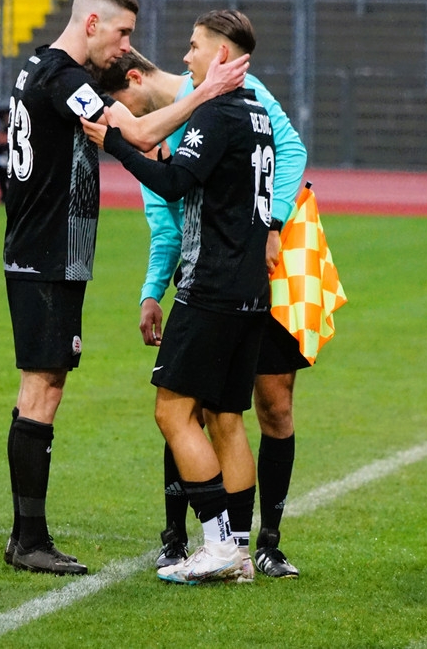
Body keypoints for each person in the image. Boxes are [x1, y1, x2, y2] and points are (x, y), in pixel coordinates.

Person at [1, 0, 246, 577]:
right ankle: (28, 538)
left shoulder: (43, 67)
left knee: (46, 386)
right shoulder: (64, 77)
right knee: (41, 389)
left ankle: (27, 535)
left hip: (48, 250)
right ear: (92, 24)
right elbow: (136, 133)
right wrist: (204, 93)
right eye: (122, 32)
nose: (127, 46)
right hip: (45, 253)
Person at [93, 45, 308, 579]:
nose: (186, 53)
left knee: (178, 411)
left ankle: (224, 546)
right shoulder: (237, 109)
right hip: (245, 285)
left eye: (193, 44)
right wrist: (151, 291)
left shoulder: (217, 105)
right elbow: (167, 216)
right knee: (224, 417)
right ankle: (229, 549)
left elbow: (180, 181)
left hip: (219, 281)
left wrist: (274, 223)